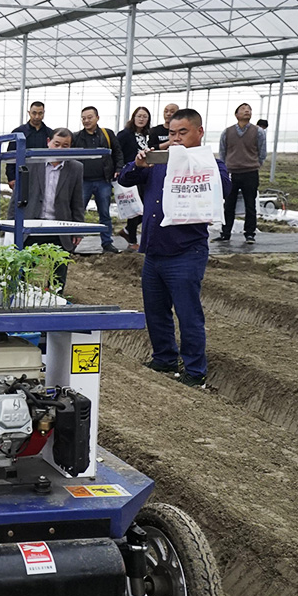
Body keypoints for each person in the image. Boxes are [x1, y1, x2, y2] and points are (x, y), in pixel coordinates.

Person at [117, 109, 229, 389]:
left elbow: (224, 188)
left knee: (188, 313)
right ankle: (164, 358)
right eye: (172, 133)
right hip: (154, 249)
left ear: (199, 132)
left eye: (183, 132)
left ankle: (195, 370)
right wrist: (139, 163)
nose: (176, 138)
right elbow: (126, 178)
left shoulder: (211, 164)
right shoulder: (159, 161)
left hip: (186, 251)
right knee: (155, 311)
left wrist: (196, 165)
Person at [21, 128, 85, 290]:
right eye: (57, 144)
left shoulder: (76, 168)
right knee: (23, 267)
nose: (60, 149)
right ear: (48, 142)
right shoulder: (32, 163)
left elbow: (77, 201)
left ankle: (55, 296)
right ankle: (19, 295)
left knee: (58, 272)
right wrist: (12, 224)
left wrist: (78, 229)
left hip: (60, 226)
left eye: (65, 146)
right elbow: (18, 197)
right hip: (33, 224)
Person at [73, 106, 124, 253]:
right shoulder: (76, 137)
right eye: (83, 118)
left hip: (103, 180)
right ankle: (72, 244)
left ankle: (107, 243)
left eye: (89, 117)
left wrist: (118, 168)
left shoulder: (107, 134)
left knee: (105, 213)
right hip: (83, 181)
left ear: (97, 118)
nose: (86, 121)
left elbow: (117, 152)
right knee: (78, 213)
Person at [216, 103, 267, 244]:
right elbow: (223, 152)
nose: (247, 111)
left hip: (250, 172)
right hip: (232, 172)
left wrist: (255, 164)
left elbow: (262, 153)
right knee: (229, 204)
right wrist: (225, 168)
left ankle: (250, 234)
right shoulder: (227, 132)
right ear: (236, 114)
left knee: (250, 205)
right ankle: (225, 233)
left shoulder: (258, 132)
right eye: (243, 109)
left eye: (249, 109)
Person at [116, 107, 161, 252]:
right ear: (133, 117)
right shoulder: (125, 134)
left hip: (145, 175)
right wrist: (119, 169)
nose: (141, 119)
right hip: (131, 174)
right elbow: (117, 152)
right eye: (139, 116)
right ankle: (132, 240)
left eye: (145, 117)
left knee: (144, 208)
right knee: (135, 209)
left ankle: (127, 231)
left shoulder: (148, 135)